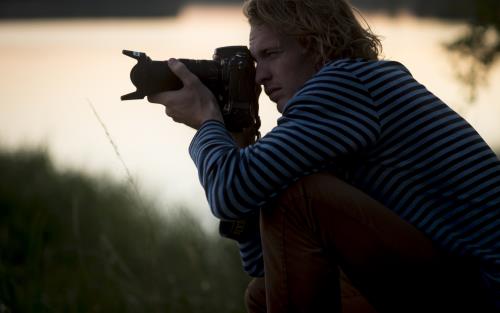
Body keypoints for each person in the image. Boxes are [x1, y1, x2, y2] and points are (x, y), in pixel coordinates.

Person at [147, 0, 500, 312]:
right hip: (462, 280)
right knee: (262, 293)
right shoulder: (338, 109)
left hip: (486, 290)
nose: (259, 76)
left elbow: (228, 191)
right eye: (255, 60)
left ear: (318, 44)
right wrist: (237, 141)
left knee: (297, 197)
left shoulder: (345, 87)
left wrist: (207, 121)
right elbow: (265, 263)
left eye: (271, 55)